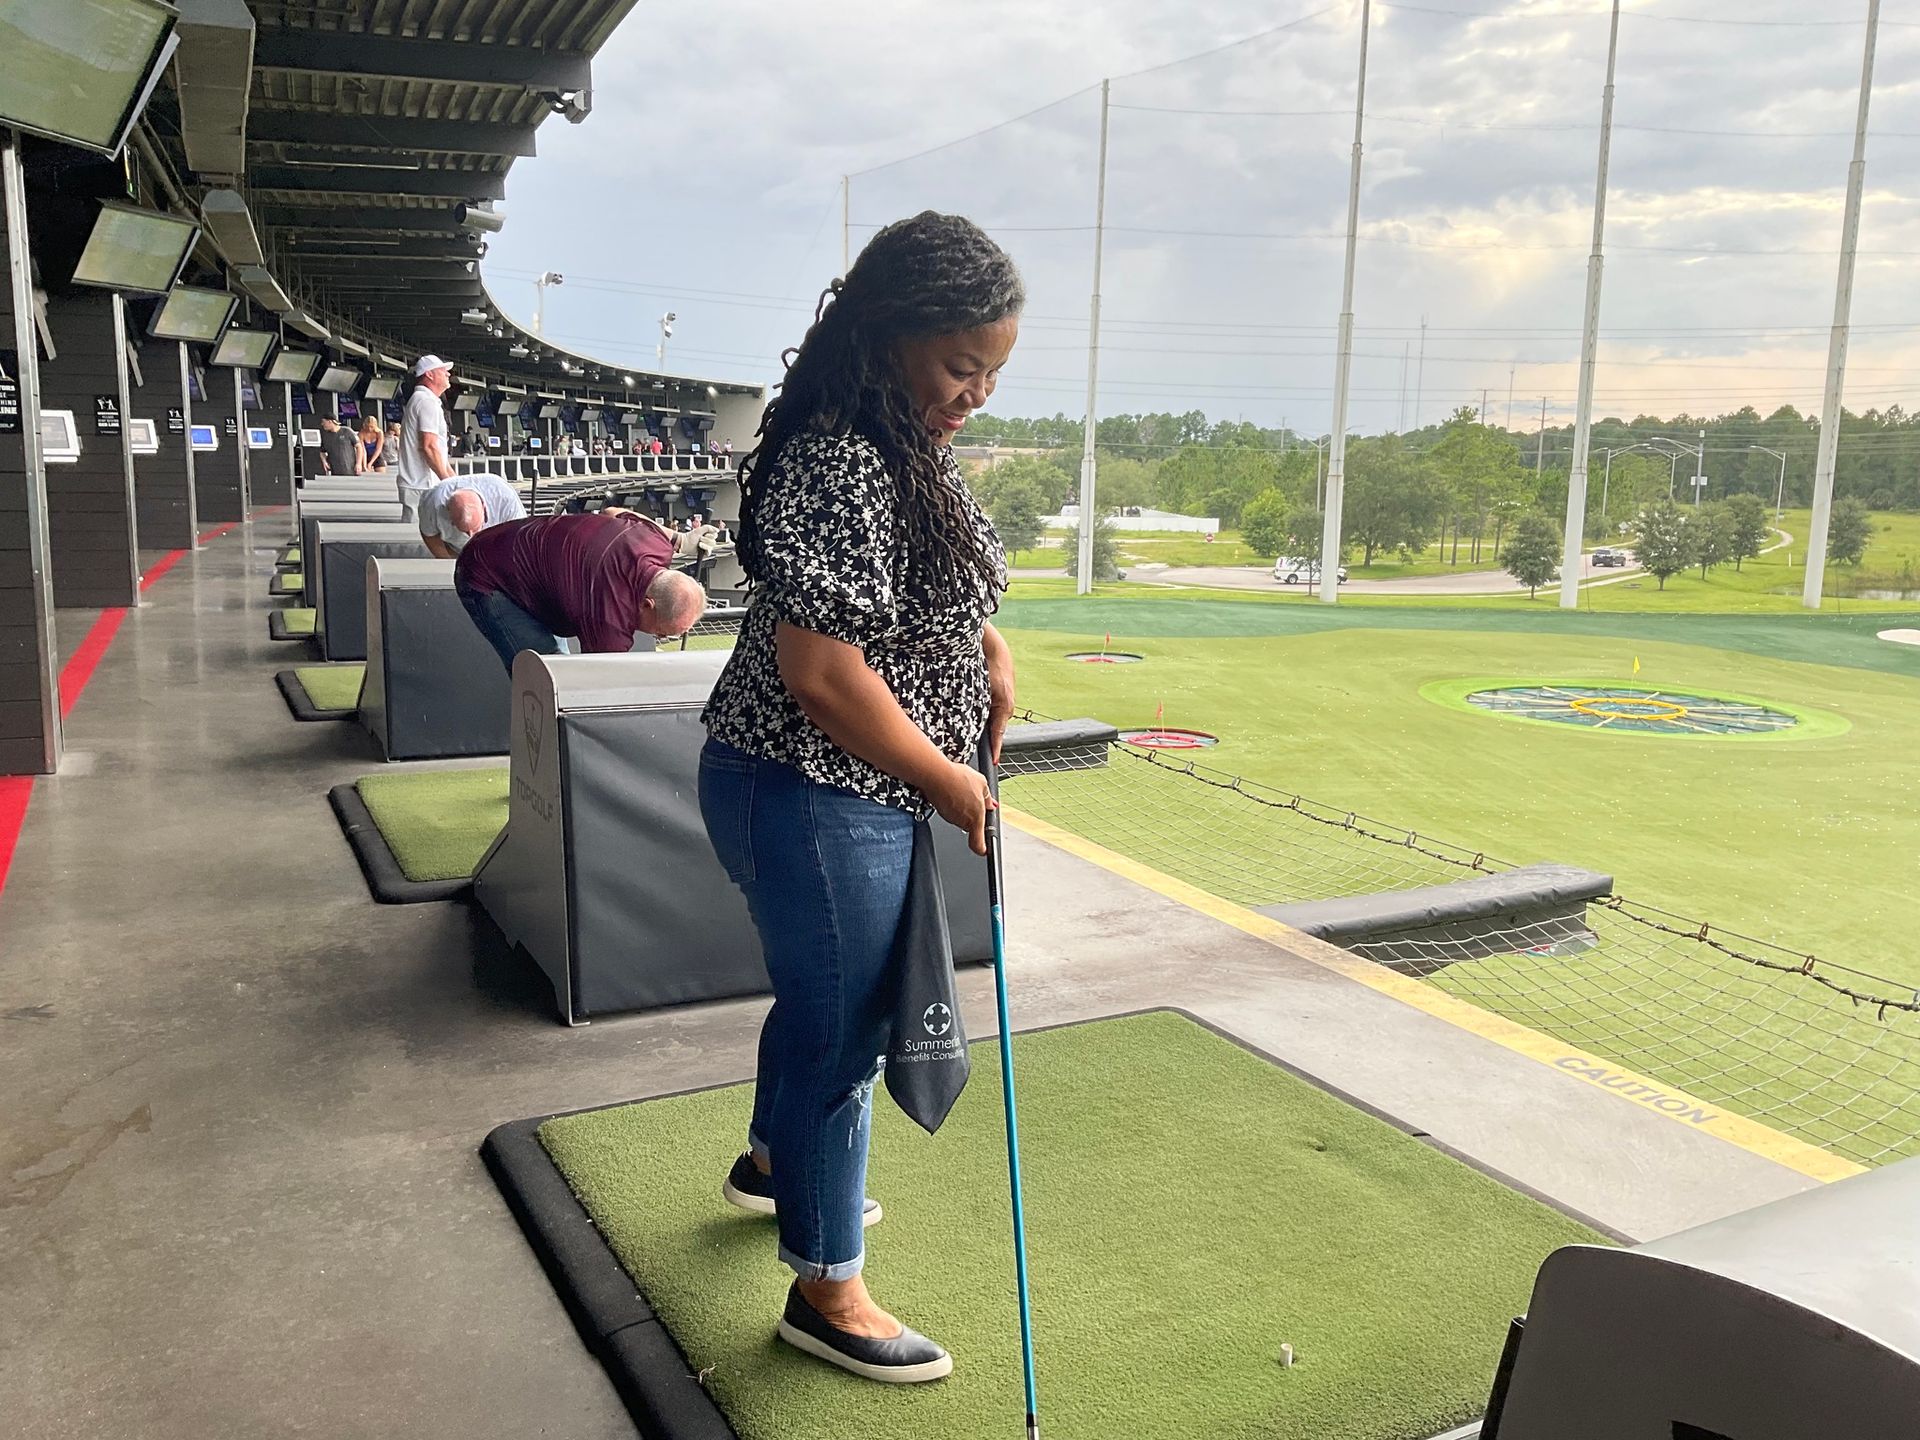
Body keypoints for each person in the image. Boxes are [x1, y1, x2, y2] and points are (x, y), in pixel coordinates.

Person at [697, 212, 1019, 1384]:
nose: (973, 392)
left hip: (831, 787)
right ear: (887, 337)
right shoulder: (839, 453)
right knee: (846, 1034)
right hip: (810, 785)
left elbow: (925, 584)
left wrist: (986, 647)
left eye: (992, 372)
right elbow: (823, 673)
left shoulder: (899, 441)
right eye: (958, 365)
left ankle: (772, 1166)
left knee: (819, 1001)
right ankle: (826, 1289)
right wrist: (948, 783)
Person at [453, 510, 708, 672]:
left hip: (512, 547)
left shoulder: (655, 542)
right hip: (487, 575)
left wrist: (679, 540)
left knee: (561, 662)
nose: (660, 638)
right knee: (548, 677)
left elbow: (613, 511)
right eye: (661, 632)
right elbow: (599, 688)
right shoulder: (609, 618)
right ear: (647, 604)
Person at [397, 356, 455, 522]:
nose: (448, 374)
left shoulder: (425, 400)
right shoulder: (425, 401)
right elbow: (429, 447)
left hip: (421, 486)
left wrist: (454, 480)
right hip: (421, 486)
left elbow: (437, 451)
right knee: (418, 544)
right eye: (443, 370)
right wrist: (449, 482)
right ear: (429, 375)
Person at [415, 474, 526, 558]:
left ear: (484, 507)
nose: (471, 536)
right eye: (466, 532)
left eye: (476, 527)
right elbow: (430, 535)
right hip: (455, 550)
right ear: (449, 515)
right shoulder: (432, 503)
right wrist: (447, 560)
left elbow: (519, 539)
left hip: (496, 550)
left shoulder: (505, 499)